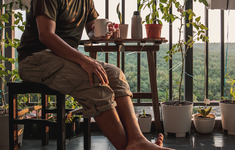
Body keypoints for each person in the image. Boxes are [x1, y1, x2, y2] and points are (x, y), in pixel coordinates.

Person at [17, 0, 173, 150]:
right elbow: (46, 35)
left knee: (116, 75)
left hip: (63, 57)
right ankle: (132, 148)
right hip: (35, 58)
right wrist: (84, 60)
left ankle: (137, 139)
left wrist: (100, 34)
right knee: (94, 84)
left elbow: (91, 30)